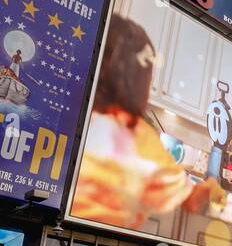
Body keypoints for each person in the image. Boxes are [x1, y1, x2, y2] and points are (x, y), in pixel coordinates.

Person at [70, 14, 220, 228]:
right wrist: (212, 186)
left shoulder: (69, 109)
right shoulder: (133, 132)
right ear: (139, 79)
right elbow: (192, 201)